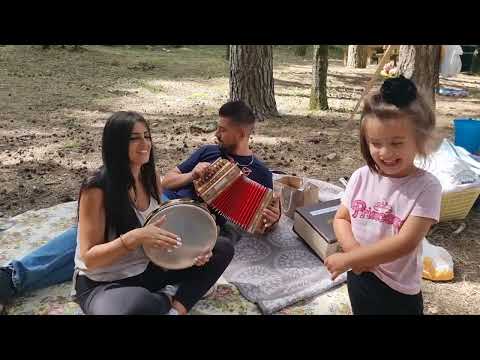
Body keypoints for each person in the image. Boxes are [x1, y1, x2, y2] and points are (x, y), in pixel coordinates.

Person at [0, 101, 281, 312]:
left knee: (216, 245)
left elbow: (261, 222)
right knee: (98, 232)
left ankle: (169, 291)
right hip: (171, 203)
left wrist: (274, 218)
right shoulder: (207, 152)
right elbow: (169, 181)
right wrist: (193, 174)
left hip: (202, 222)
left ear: (243, 132)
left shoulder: (261, 174)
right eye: (136, 138)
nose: (216, 133)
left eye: (223, 129)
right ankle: (15, 276)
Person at [324, 76, 442, 315]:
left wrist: (351, 259)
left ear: (420, 141)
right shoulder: (360, 176)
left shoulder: (427, 187)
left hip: (398, 291)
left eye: (397, 143)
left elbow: (405, 243)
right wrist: (355, 254)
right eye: (375, 143)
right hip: (359, 277)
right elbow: (342, 218)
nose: (385, 153)